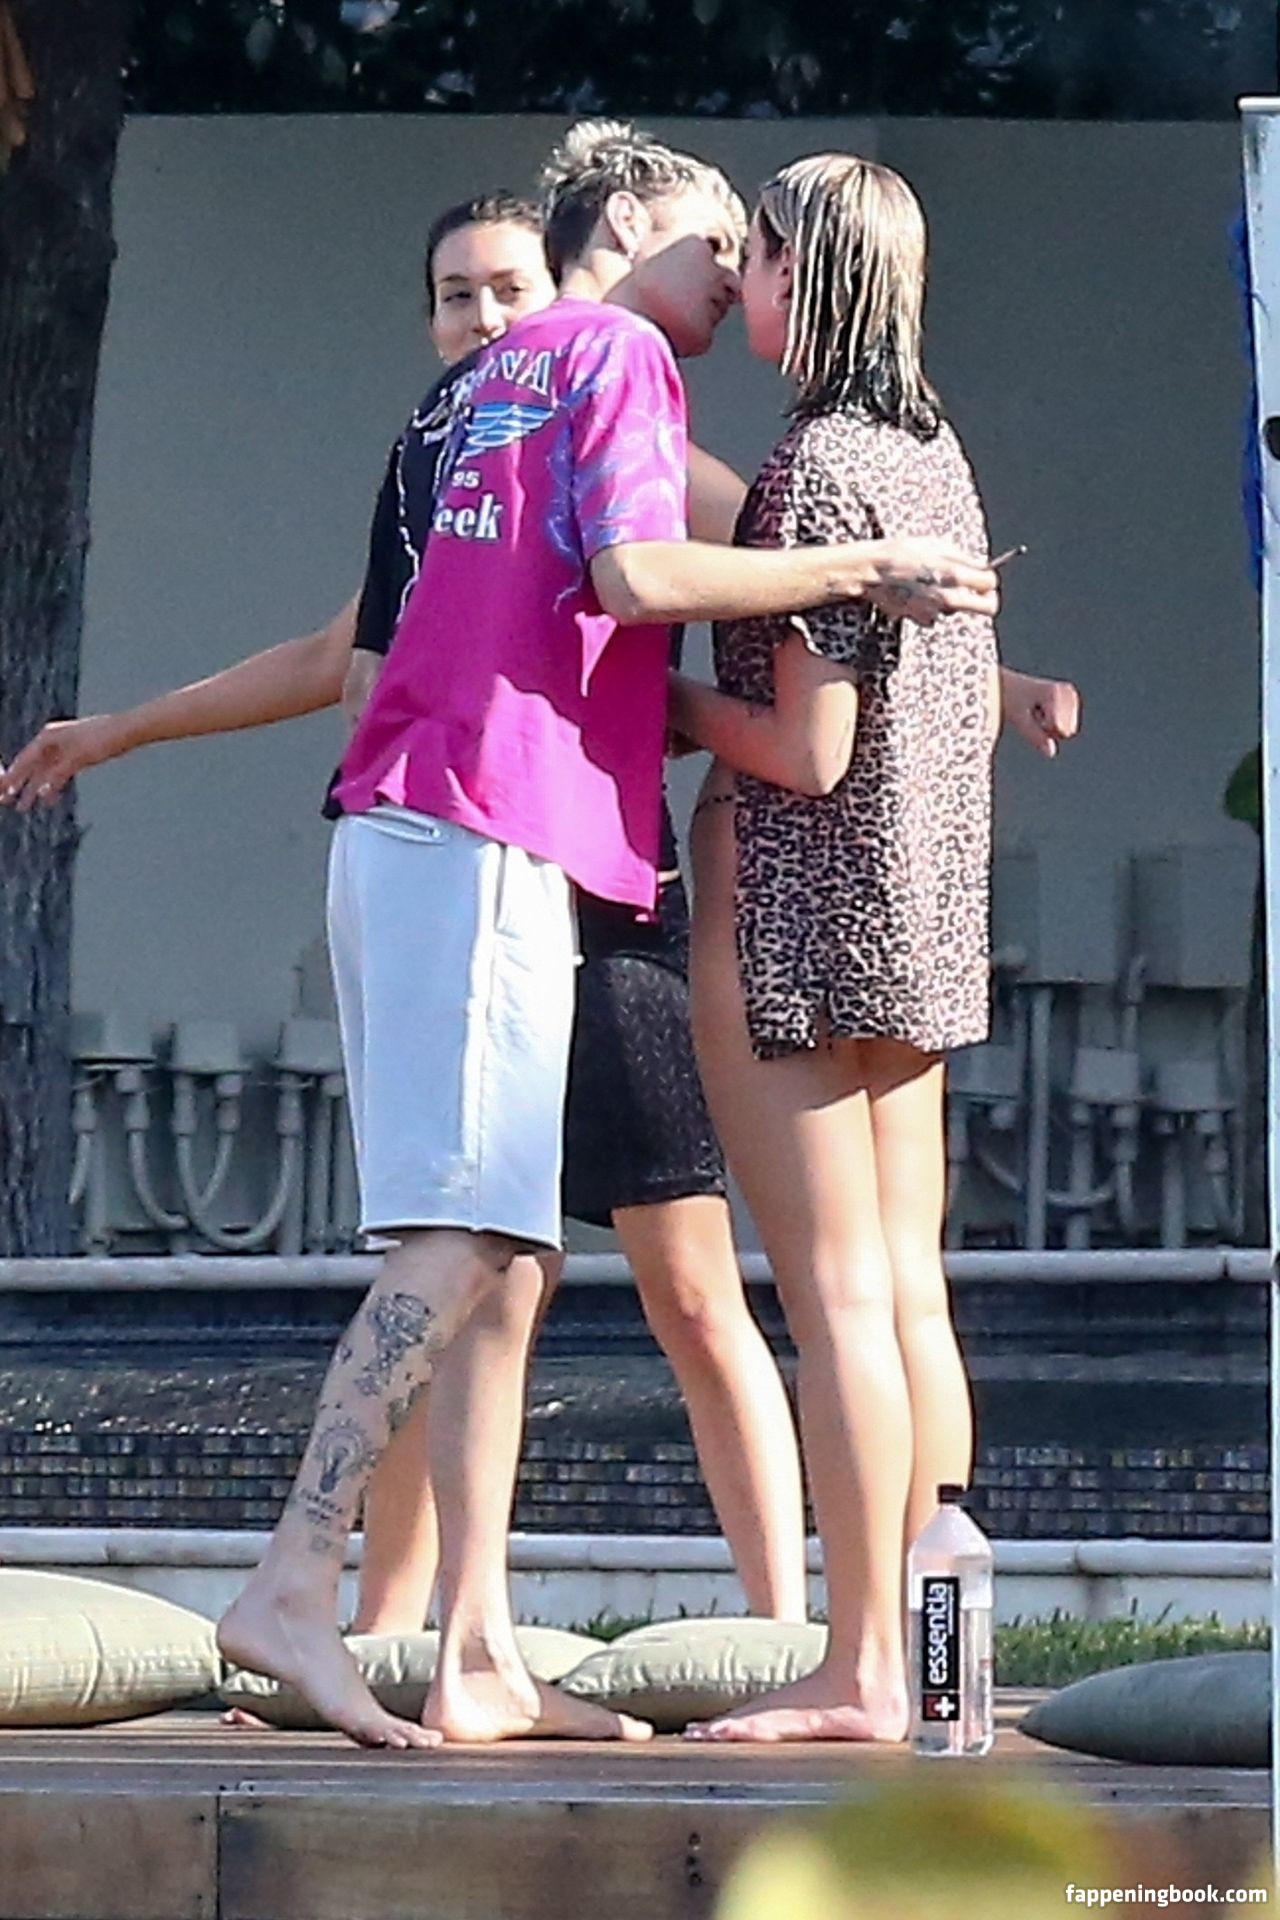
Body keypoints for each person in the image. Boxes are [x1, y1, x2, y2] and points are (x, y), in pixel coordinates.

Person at [211, 110, 998, 1749]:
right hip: (488, 829)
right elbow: (639, 578)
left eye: (750, 252)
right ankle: (295, 1583)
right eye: (715, 241)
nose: (725, 276)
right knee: (473, 1242)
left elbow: (396, 642)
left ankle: (476, 1650)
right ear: (632, 225)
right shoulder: (624, 362)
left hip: (433, 819)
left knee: (511, 1249)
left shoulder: (478, 382)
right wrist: (861, 568)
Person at [669, 152, 1012, 1744]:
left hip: (800, 915)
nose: (736, 278)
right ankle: (940, 1663)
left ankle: (861, 1664)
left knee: (833, 1300)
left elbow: (805, 751)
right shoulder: (933, 455)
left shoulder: (815, 471)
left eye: (753, 255)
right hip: (921, 915)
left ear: (801, 276)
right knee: (907, 1294)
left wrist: (655, 695)